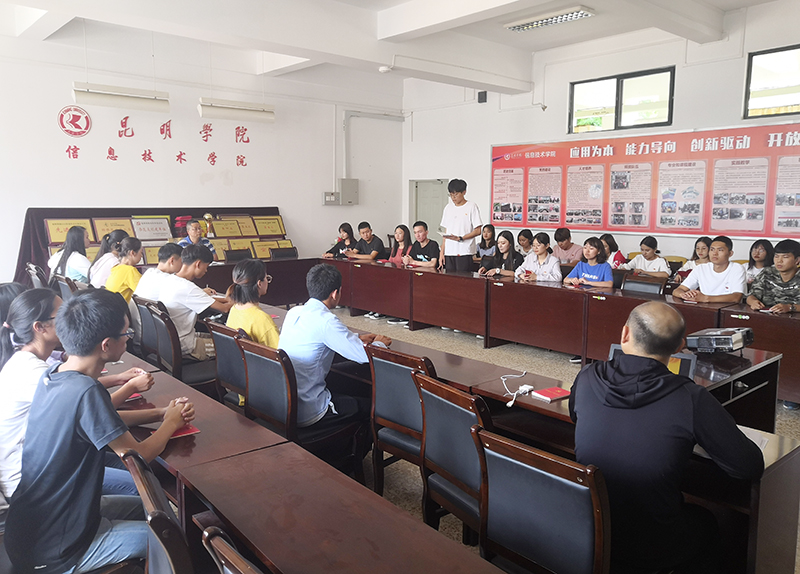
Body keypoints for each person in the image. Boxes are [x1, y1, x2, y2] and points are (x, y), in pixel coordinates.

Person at [4, 289, 195, 574]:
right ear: (106, 345)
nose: (128, 339)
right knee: (174, 541)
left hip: (39, 527)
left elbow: (106, 422)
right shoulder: (84, 391)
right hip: (56, 547)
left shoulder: (53, 375)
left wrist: (163, 414)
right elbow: (138, 455)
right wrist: (170, 423)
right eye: (126, 333)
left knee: (158, 511)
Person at [569, 301, 764, 573]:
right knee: (709, 521)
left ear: (624, 334)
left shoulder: (587, 376)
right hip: (650, 547)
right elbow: (748, 465)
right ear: (679, 346)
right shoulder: (690, 397)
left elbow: (575, 416)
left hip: (587, 530)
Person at [0, 289, 158, 500]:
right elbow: (95, 410)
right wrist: (165, 416)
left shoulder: (36, 366)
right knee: (142, 486)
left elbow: (89, 404)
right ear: (39, 327)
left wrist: (118, 379)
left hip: (49, 461)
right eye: (62, 315)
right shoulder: (38, 374)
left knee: (137, 472)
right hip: (30, 478)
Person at [278, 264, 391, 433]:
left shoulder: (294, 312)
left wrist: (356, 338)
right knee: (373, 407)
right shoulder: (326, 321)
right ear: (335, 293)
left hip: (288, 403)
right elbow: (362, 355)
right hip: (311, 409)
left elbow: (319, 337)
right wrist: (380, 343)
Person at [158, 244, 233, 360]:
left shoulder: (171, 280)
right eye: (206, 267)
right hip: (186, 345)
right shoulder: (188, 288)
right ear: (198, 264)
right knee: (233, 347)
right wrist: (243, 301)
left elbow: (202, 298)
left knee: (220, 337)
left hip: (171, 340)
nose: (206, 270)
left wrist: (227, 299)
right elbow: (225, 309)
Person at [672, 236, 745, 303]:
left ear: (730, 253)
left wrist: (705, 298)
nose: (715, 253)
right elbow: (677, 291)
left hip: (727, 309)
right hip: (705, 308)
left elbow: (736, 297)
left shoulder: (737, 268)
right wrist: (685, 295)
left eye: (720, 250)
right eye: (712, 249)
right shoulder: (701, 268)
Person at [226, 259, 279, 348]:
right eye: (266, 278)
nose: (267, 281)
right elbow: (279, 352)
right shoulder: (262, 319)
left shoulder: (234, 309)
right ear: (259, 284)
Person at [747, 239, 800, 314]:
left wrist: (790, 307)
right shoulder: (767, 273)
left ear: (797, 260)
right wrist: (753, 302)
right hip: (766, 316)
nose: (779, 261)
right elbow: (751, 295)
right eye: (776, 256)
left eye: (785, 257)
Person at [439, 179, 482, 272]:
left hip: (465, 251)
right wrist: (442, 252)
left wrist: (461, 238)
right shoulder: (448, 208)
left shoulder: (471, 206)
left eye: (456, 194)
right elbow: (446, 232)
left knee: (463, 278)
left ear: (464, 192)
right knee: (449, 278)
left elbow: (478, 231)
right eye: (451, 194)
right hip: (449, 251)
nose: (453, 197)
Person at [104, 237, 143, 303]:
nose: (141, 256)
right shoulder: (130, 271)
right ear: (132, 253)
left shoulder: (115, 268)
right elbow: (144, 292)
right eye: (141, 252)